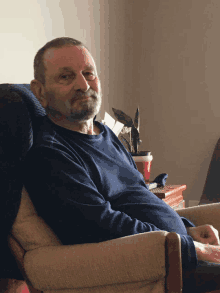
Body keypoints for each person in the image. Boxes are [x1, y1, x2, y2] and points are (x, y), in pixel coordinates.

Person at [23, 37, 220, 293]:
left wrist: (189, 230)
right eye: (66, 77)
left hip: (179, 251)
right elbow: (102, 224)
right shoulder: (51, 154)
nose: (83, 85)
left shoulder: (103, 133)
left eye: (88, 73)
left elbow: (139, 197)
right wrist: (186, 245)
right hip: (159, 267)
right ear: (39, 91)